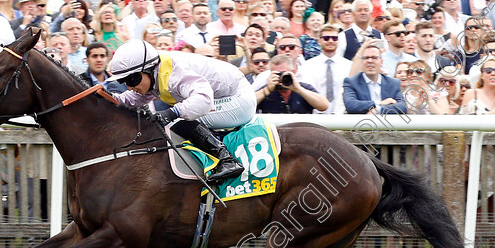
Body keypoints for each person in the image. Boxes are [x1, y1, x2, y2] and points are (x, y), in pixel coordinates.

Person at [108, 39, 256, 182]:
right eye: (124, 81)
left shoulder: (173, 73)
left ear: (147, 69)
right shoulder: (154, 72)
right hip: (222, 97)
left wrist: (172, 113)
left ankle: (228, 160)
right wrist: (109, 98)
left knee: (179, 121)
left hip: (238, 98)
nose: (129, 86)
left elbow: (203, 99)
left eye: (131, 80)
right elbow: (133, 98)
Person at [253, 53, 330, 114]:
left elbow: (324, 106)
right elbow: (247, 105)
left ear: (293, 72)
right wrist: (267, 90)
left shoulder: (303, 87)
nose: (280, 78)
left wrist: (298, 89)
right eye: (276, 74)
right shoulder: (266, 90)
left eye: (283, 73)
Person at [343, 42, 407, 115]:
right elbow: (351, 105)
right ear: (362, 62)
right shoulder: (351, 82)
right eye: (366, 58)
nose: (370, 61)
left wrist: (378, 110)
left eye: (374, 58)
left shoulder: (394, 83)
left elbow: (402, 107)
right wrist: (379, 103)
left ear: (381, 62)